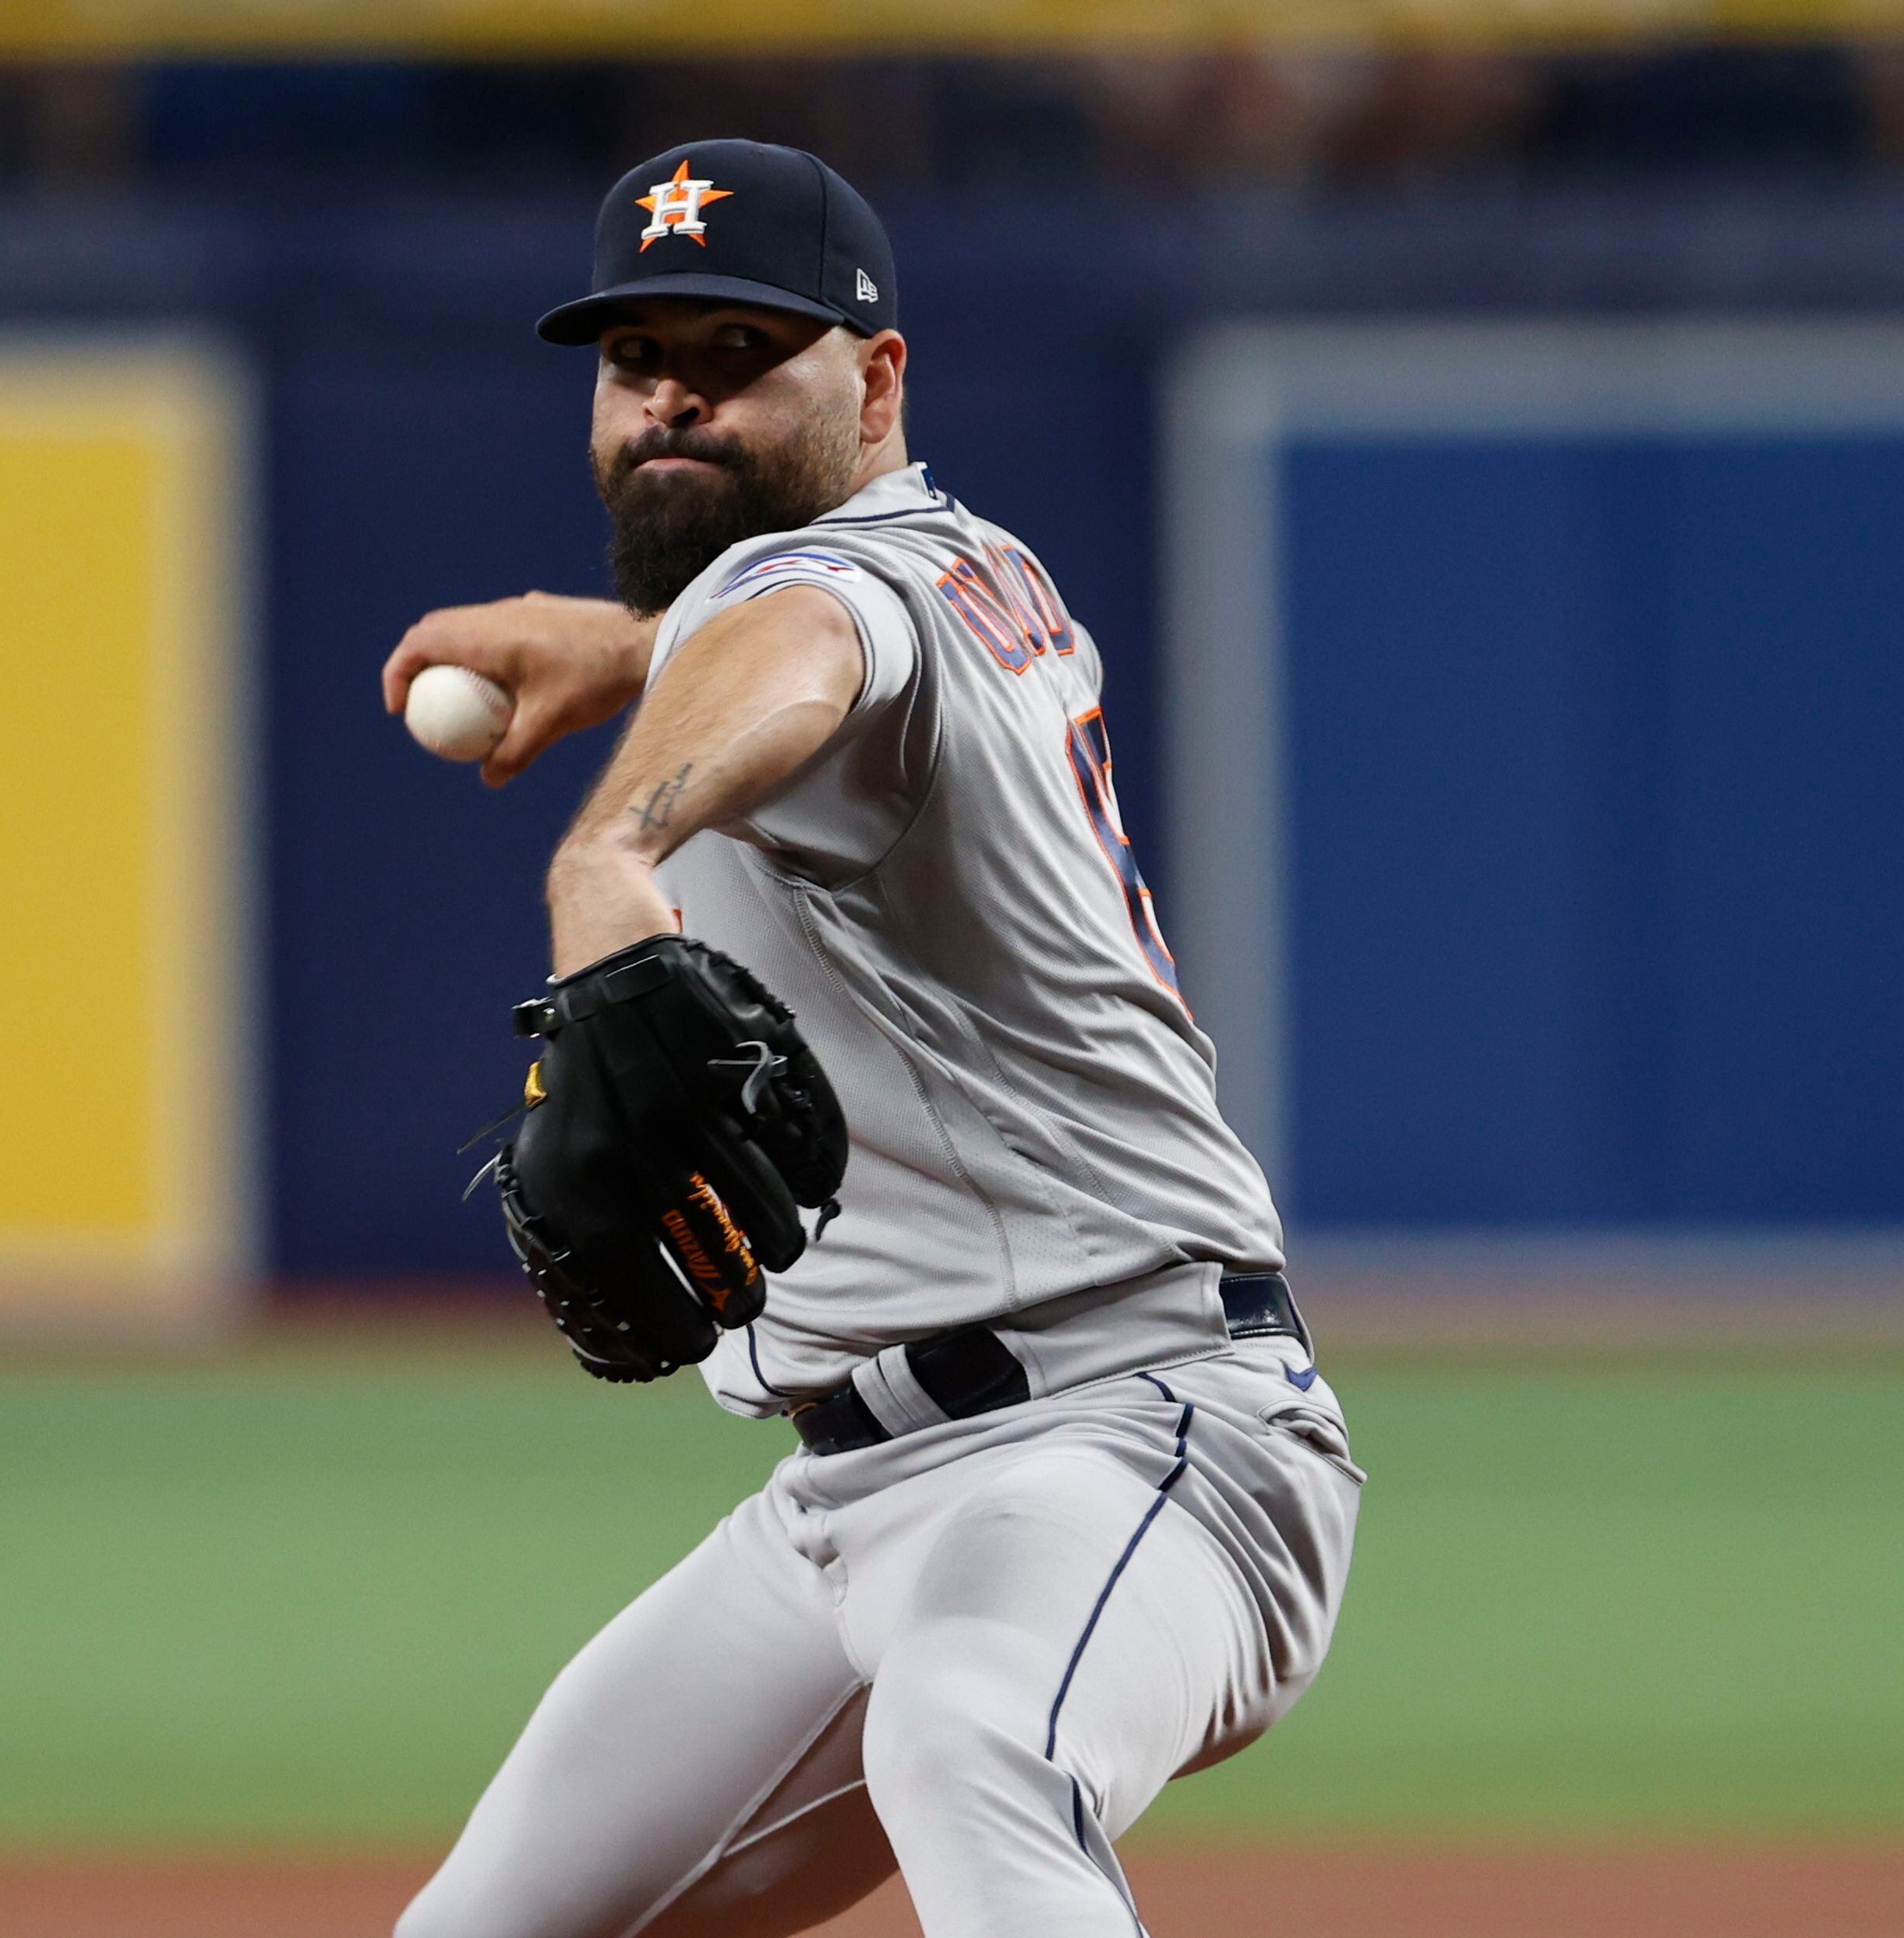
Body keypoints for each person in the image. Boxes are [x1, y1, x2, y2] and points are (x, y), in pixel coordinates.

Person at [383, 139, 1362, 1938]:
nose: (675, 394)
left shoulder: (842, 600)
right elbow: (772, 625)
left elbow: (816, 644)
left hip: (1136, 1429)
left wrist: (610, 843)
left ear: (876, 376)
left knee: (976, 1736)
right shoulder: (947, 564)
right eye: (634, 359)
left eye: (736, 351)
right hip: (850, 1493)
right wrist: (616, 641)